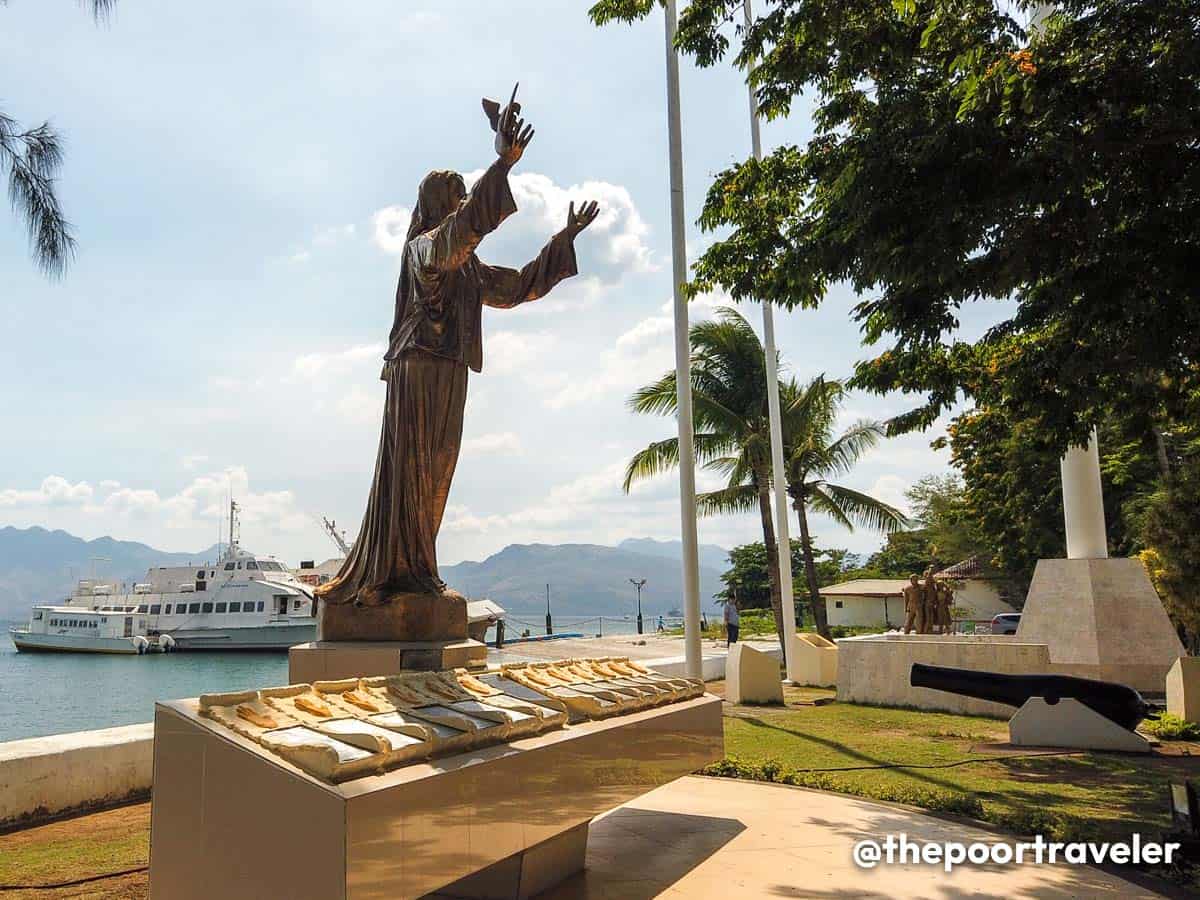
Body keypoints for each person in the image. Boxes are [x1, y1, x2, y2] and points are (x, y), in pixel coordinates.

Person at [316, 97, 599, 616]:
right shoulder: (423, 247)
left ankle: (417, 572)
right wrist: (503, 165)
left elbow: (515, 288)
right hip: (418, 366)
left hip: (448, 370)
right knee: (412, 469)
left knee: (436, 472)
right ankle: (392, 576)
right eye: (457, 195)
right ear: (437, 203)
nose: (463, 201)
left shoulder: (466, 268)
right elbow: (455, 237)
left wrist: (563, 240)